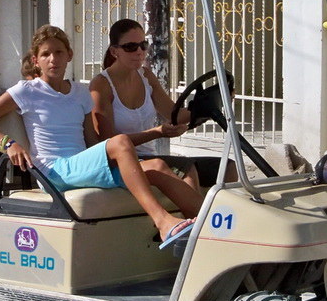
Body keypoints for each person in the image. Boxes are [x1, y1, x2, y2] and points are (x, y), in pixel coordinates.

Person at [0, 25, 203, 248]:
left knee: (157, 166)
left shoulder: (81, 92)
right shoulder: (26, 91)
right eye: (46, 54)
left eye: (59, 52)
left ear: (69, 55)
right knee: (120, 142)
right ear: (35, 61)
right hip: (53, 171)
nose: (53, 59)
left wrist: (124, 160)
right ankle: (162, 222)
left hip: (81, 167)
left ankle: (208, 230)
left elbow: (93, 142)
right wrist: (8, 143)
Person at [92, 18, 236, 189]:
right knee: (186, 169)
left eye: (143, 45)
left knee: (228, 167)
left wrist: (213, 103)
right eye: (131, 47)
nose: (139, 52)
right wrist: (157, 133)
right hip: (124, 163)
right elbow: (108, 143)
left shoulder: (146, 76)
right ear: (114, 51)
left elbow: (175, 115)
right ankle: (193, 208)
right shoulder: (101, 85)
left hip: (151, 156)